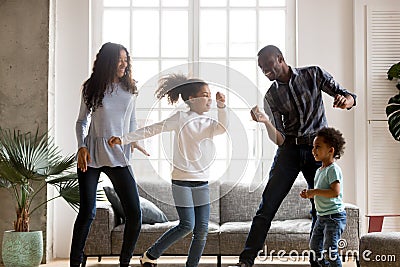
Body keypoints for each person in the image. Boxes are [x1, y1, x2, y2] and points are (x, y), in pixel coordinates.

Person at [231, 45, 356, 267]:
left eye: (268, 65)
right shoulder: (272, 95)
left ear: (280, 58)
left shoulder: (313, 74)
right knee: (267, 206)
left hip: (316, 150)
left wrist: (346, 101)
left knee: (321, 208)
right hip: (288, 150)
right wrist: (266, 122)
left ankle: (318, 262)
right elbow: (279, 138)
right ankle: (246, 260)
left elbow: (347, 95)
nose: (265, 72)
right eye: (261, 69)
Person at [108, 73, 228, 267]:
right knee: (187, 224)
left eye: (210, 95)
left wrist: (222, 107)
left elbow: (223, 128)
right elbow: (152, 129)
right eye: (205, 95)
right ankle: (151, 254)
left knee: (202, 229)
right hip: (181, 180)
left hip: (202, 181)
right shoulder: (180, 118)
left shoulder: (208, 122)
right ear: (191, 99)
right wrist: (123, 139)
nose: (209, 99)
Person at [70, 42, 149, 267]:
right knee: (87, 212)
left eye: (126, 59)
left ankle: (125, 262)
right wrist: (81, 147)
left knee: (134, 213)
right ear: (108, 61)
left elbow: (131, 120)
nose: (124, 64)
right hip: (92, 154)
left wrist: (132, 141)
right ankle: (75, 262)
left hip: (118, 152)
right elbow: (81, 121)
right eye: (119, 59)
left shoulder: (131, 88)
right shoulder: (91, 87)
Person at [300, 127, 347, 267]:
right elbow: (320, 192)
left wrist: (314, 192)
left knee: (330, 251)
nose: (313, 150)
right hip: (322, 216)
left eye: (318, 147)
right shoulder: (319, 171)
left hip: (334, 217)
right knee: (315, 248)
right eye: (313, 147)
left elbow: (335, 192)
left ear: (331, 150)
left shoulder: (333, 170)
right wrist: (308, 193)